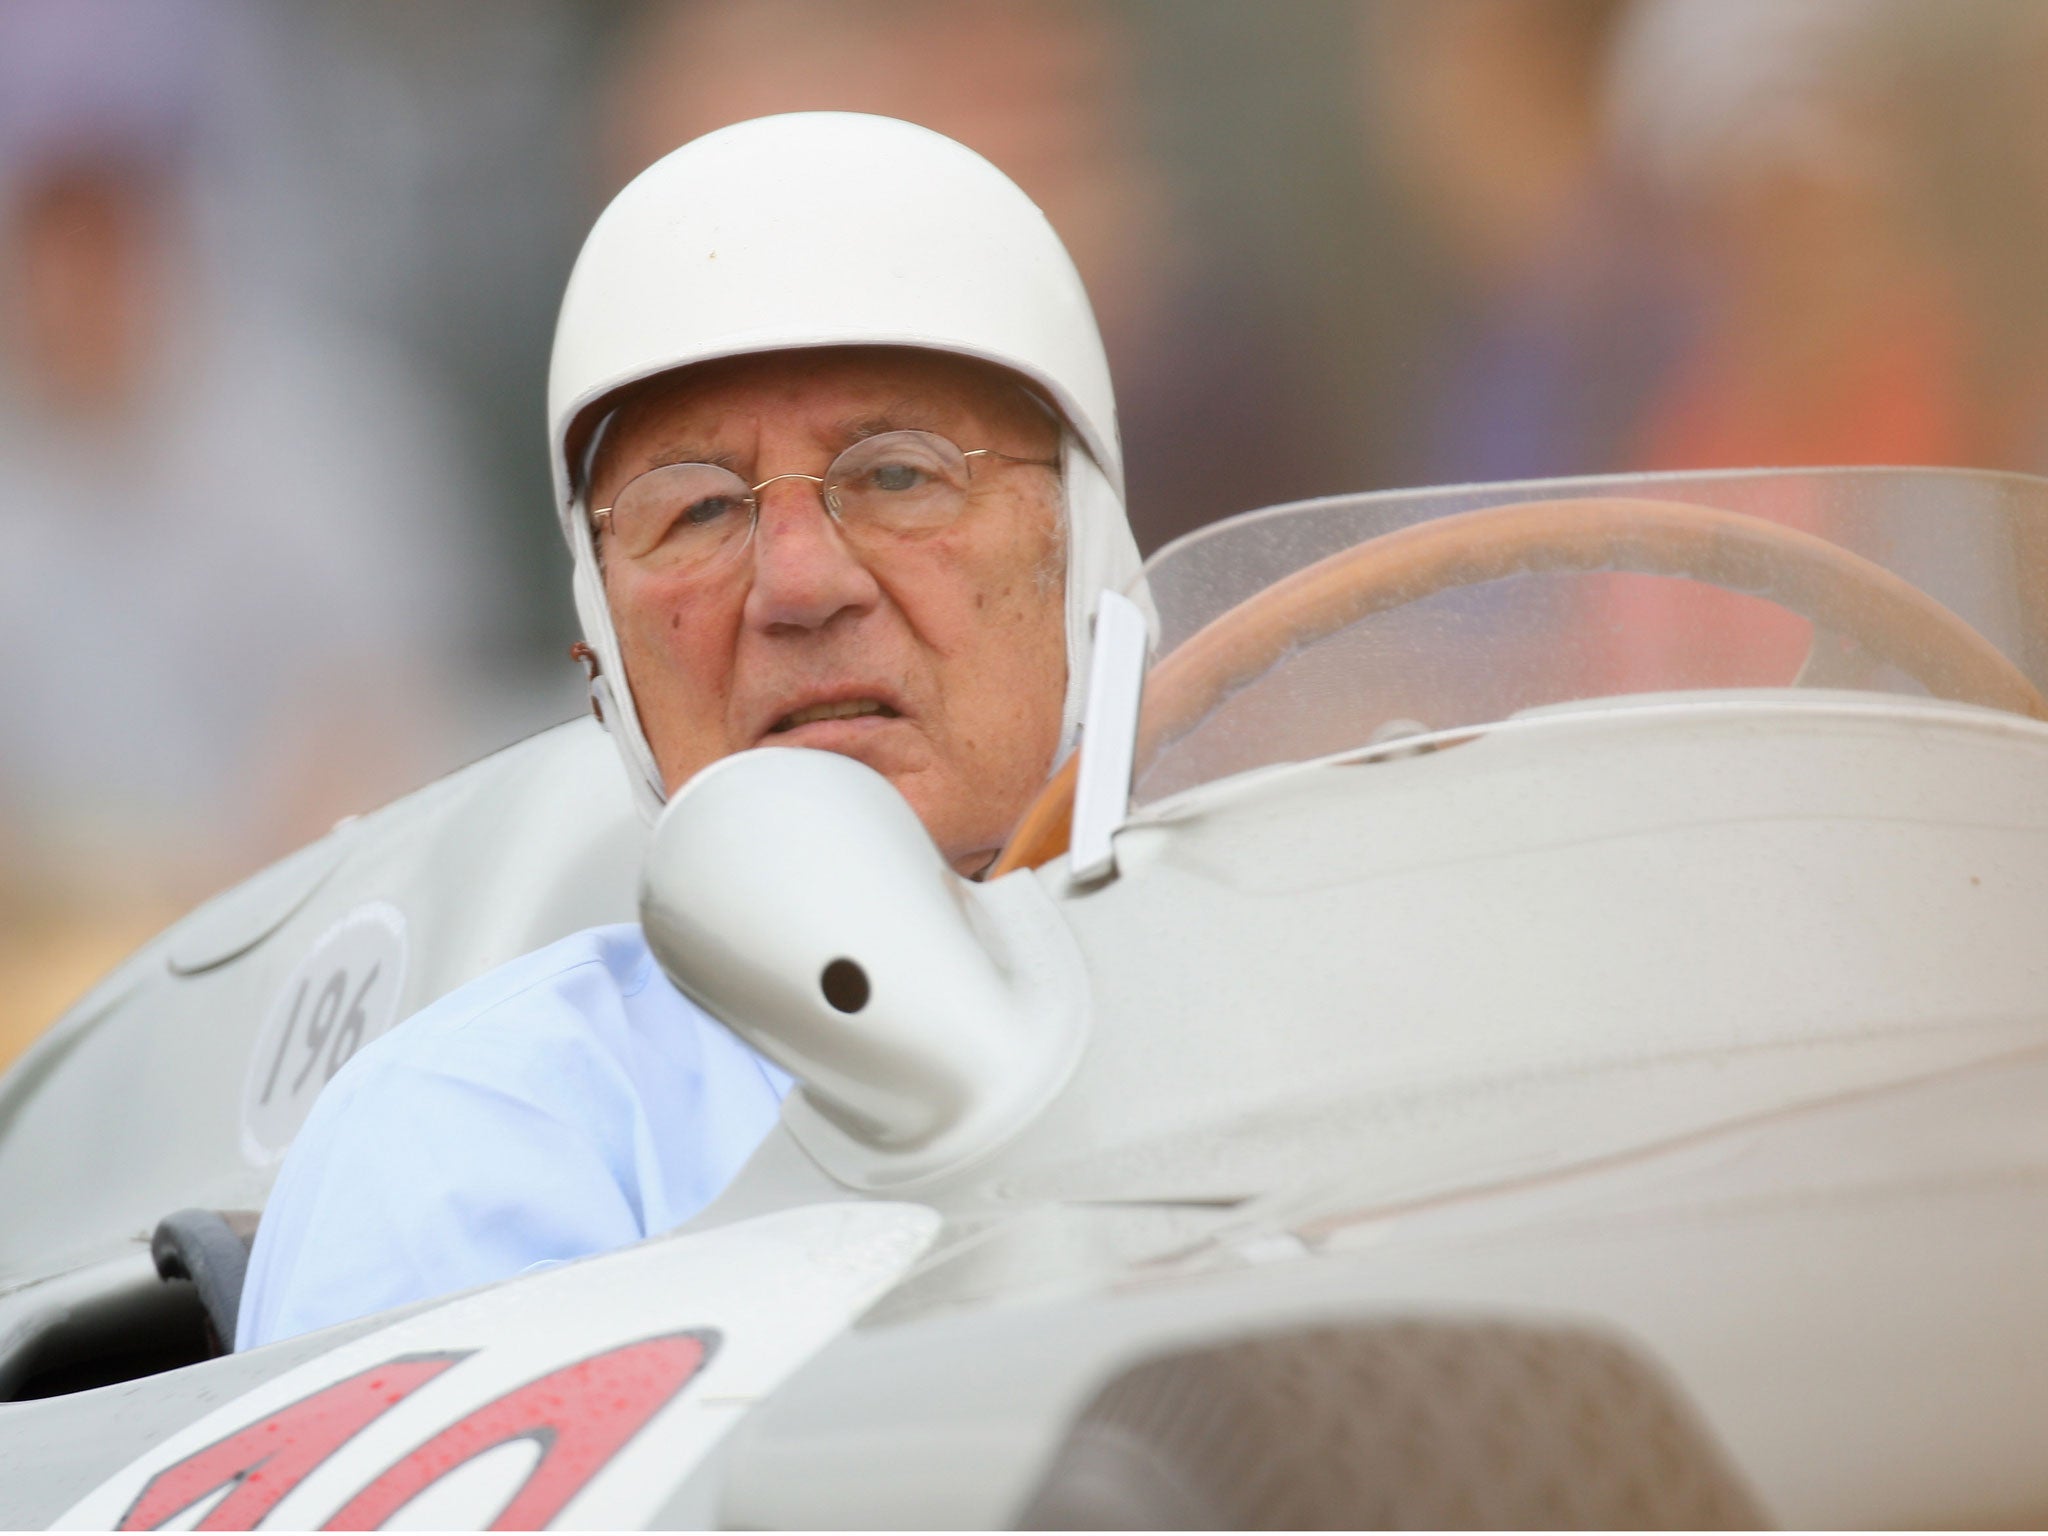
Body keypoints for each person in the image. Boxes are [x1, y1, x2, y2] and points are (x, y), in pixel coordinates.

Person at [235, 113, 1142, 1350]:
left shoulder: (1303, 969)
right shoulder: (476, 1140)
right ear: (601, 649)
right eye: (699, 509)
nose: (800, 584)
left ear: (1081, 557)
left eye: (896, 474)